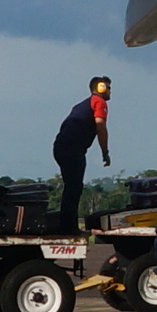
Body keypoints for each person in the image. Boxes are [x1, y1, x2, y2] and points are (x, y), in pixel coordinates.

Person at [54, 76, 112, 234]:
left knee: (71, 186)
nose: (110, 91)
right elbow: (100, 126)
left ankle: (66, 225)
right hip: (72, 148)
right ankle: (68, 228)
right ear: (100, 88)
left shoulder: (82, 104)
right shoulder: (99, 102)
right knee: (74, 187)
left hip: (62, 147)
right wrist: (105, 152)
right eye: (107, 87)